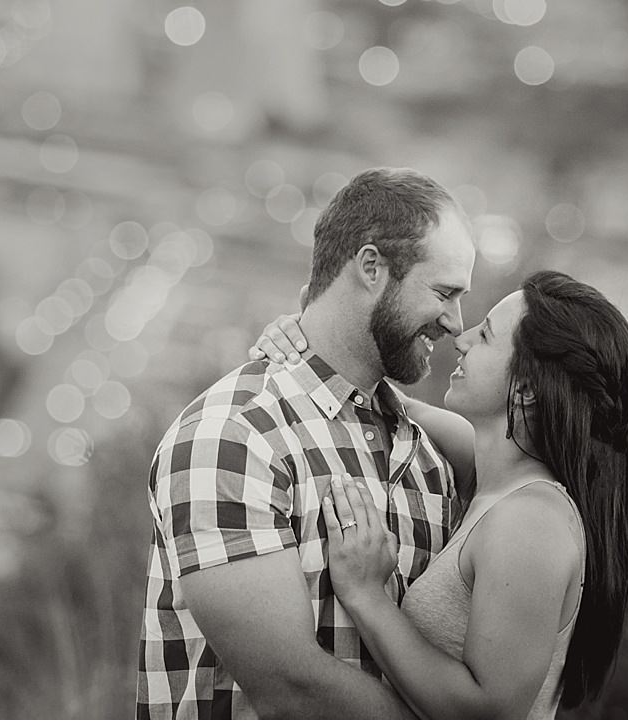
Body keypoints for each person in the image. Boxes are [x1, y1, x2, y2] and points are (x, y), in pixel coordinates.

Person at [136, 167, 476, 718]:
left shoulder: (429, 456)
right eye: (443, 292)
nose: (456, 323)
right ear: (371, 267)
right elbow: (289, 688)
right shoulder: (235, 436)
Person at [251, 270, 628, 718]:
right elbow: (371, 392)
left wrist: (366, 595)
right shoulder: (493, 474)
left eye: (487, 335)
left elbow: (485, 711)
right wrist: (303, 340)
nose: (462, 337)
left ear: (529, 388)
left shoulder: (530, 523)